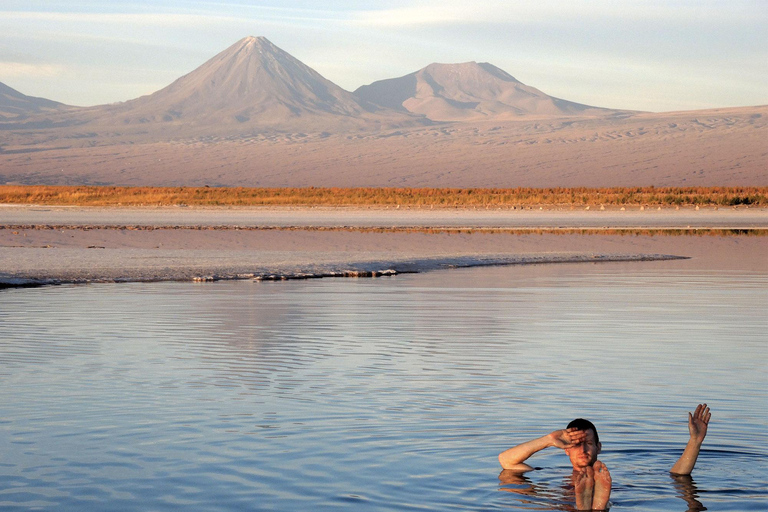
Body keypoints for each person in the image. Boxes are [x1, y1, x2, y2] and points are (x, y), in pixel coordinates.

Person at [497, 404, 711, 511]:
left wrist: (695, 441)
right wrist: (549, 438)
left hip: (568, 501)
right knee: (509, 475)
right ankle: (597, 507)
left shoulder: (552, 479)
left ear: (599, 447)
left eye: (588, 443)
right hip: (587, 499)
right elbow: (506, 461)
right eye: (576, 445)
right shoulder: (551, 473)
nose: (583, 450)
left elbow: (677, 474)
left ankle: (593, 506)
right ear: (566, 450)